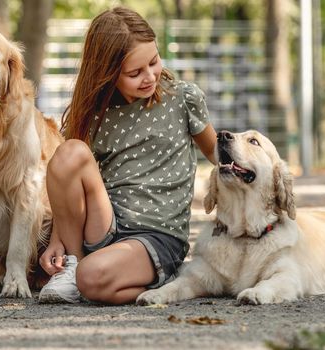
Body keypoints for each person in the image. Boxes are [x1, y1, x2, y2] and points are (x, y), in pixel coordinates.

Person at [37, 6, 217, 305]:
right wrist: (57, 238)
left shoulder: (183, 98)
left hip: (156, 235)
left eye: (154, 62)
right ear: (108, 75)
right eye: (135, 73)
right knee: (69, 152)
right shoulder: (95, 114)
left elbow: (214, 152)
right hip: (105, 224)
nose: (150, 77)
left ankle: (170, 284)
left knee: (92, 279)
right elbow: (69, 183)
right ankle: (73, 265)